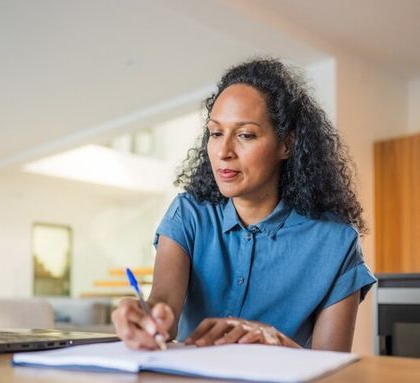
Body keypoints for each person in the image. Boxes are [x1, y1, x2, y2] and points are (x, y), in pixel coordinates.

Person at [111, 58, 376, 352]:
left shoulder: (336, 241)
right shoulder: (189, 214)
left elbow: (333, 368)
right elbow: (164, 305)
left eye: (245, 135)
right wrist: (145, 318)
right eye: (215, 133)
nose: (223, 152)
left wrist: (276, 341)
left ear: (287, 145)